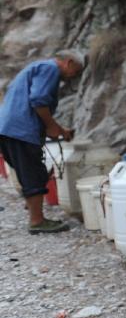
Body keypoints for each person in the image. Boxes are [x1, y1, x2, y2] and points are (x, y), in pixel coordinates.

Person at [0, 49, 85, 233]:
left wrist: (60, 129)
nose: (73, 76)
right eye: (76, 71)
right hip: (20, 130)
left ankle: (34, 210)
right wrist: (51, 127)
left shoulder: (38, 67)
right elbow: (38, 101)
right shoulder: (51, 69)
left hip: (9, 128)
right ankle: (37, 221)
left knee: (29, 171)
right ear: (69, 62)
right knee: (33, 173)